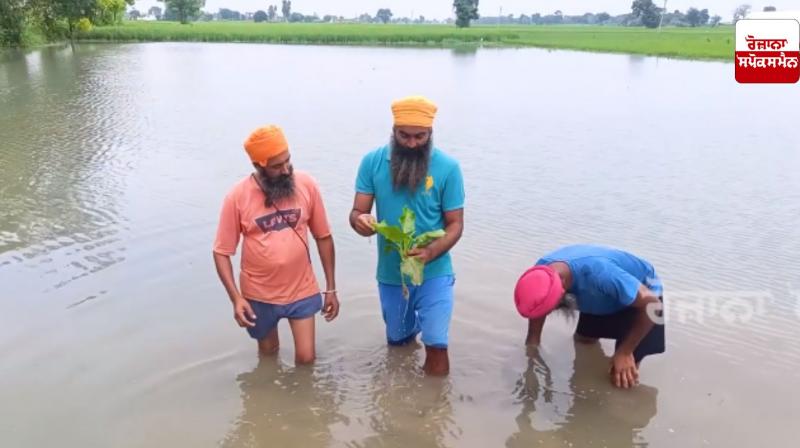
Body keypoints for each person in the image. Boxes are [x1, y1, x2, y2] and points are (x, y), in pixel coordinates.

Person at [349, 96, 465, 375]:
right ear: (394, 131)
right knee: (398, 343)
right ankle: (401, 407)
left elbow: (455, 225)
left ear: (430, 133)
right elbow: (356, 212)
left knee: (437, 343)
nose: (412, 143)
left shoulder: (448, 168)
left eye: (420, 137)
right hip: (392, 273)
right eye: (405, 136)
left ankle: (435, 409)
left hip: (434, 269)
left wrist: (430, 252)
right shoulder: (372, 162)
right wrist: (361, 222)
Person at [213, 125, 339, 364]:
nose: (285, 170)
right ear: (258, 166)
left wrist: (331, 288)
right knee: (269, 355)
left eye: (288, 161)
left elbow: (323, 236)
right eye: (276, 166)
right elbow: (221, 252)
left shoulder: (307, 185)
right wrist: (236, 299)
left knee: (306, 359)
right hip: (259, 293)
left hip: (302, 287)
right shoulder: (237, 196)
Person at [514, 244, 665, 388]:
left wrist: (625, 352)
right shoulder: (540, 274)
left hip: (642, 304)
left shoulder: (602, 274)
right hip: (599, 294)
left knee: (621, 376)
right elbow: (537, 310)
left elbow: (653, 305)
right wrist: (531, 353)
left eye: (551, 308)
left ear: (562, 290)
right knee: (583, 342)